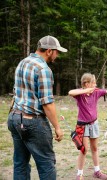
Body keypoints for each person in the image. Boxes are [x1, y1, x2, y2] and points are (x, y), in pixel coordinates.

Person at [7, 35, 67, 179]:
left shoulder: (23, 62)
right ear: (48, 51)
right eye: (56, 51)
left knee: (20, 163)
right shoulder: (43, 69)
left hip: (15, 118)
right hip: (32, 122)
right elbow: (47, 103)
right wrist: (57, 127)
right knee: (47, 164)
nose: (57, 55)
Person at [69, 73, 107, 180]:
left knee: (94, 148)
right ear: (86, 84)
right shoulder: (80, 94)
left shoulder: (96, 92)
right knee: (84, 150)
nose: (96, 84)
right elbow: (70, 92)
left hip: (93, 124)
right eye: (93, 82)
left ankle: (97, 171)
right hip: (83, 125)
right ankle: (80, 173)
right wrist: (85, 91)